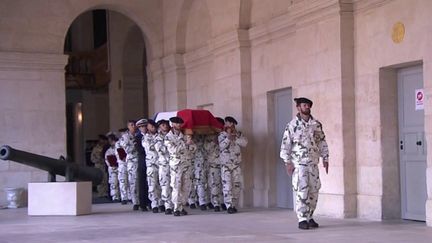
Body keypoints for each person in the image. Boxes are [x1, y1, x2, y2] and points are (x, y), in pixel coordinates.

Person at [280, 97, 329, 230]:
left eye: (308, 105)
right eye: (304, 105)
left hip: (313, 163)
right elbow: (286, 145)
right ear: (298, 107)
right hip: (299, 163)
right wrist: (287, 162)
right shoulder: (291, 125)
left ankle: (310, 216)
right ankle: (302, 218)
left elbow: (321, 141)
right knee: (302, 190)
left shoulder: (316, 124)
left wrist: (325, 157)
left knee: (314, 190)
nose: (306, 107)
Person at [164, 116, 197, 216]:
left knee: (186, 187)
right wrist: (185, 145)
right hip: (176, 166)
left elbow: (194, 148)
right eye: (176, 123)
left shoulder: (185, 136)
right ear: (172, 124)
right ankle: (176, 208)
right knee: (176, 187)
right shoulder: (168, 137)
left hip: (186, 164)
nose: (178, 125)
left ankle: (182, 206)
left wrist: (190, 144)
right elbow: (173, 150)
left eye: (180, 123)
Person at [218, 116, 248, 214]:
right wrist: (228, 138)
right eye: (226, 123)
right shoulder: (222, 135)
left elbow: (245, 143)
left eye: (230, 124)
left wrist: (235, 138)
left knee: (236, 185)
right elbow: (221, 147)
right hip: (226, 165)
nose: (228, 126)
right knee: (227, 185)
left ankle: (234, 204)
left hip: (236, 164)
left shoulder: (239, 134)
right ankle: (228, 205)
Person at [142, 119, 162, 213]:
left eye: (154, 126)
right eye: (151, 126)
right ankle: (154, 204)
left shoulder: (161, 136)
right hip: (151, 164)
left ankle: (161, 203)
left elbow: (164, 148)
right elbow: (151, 147)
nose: (153, 127)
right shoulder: (145, 137)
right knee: (152, 185)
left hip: (161, 163)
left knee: (162, 184)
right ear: (147, 127)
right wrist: (158, 144)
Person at [119, 120, 140, 210]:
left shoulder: (139, 135)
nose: (134, 126)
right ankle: (135, 202)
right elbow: (126, 149)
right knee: (133, 182)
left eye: (135, 125)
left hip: (141, 160)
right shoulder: (125, 137)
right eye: (131, 125)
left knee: (142, 182)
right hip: (132, 162)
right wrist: (135, 145)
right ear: (128, 126)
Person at [155, 119, 173, 215]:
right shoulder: (158, 138)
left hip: (173, 164)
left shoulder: (172, 135)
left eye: (166, 124)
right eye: (162, 125)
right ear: (159, 127)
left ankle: (175, 205)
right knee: (165, 185)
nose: (165, 126)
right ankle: (167, 206)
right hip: (164, 164)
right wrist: (170, 146)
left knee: (174, 185)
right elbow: (161, 150)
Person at [136, 118, 151, 211]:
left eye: (145, 126)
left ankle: (152, 202)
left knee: (152, 183)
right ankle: (143, 204)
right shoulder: (138, 137)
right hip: (143, 161)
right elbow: (140, 150)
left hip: (152, 161)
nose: (143, 128)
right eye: (141, 127)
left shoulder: (151, 135)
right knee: (142, 182)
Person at [105, 134, 120, 202]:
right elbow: (106, 159)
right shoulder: (108, 150)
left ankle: (123, 196)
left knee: (122, 182)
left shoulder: (119, 148)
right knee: (113, 182)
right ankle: (115, 197)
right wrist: (110, 164)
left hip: (120, 167)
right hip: (112, 168)